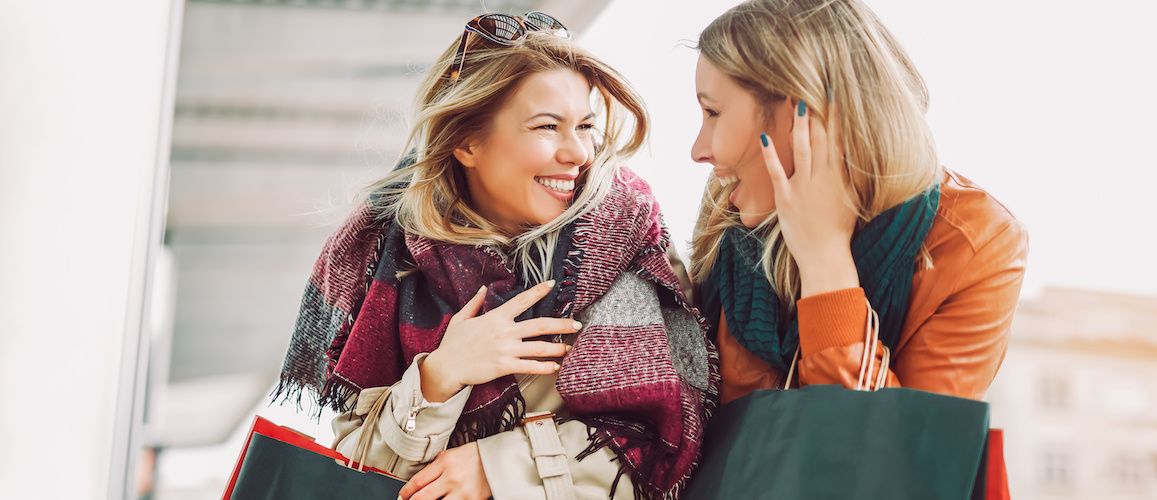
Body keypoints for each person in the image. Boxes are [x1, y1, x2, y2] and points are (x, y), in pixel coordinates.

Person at [275, 12, 716, 500]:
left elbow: (671, 443)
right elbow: (356, 470)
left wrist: (498, 469)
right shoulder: (387, 255)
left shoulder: (625, 238)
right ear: (467, 141)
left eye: (585, 125)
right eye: (548, 126)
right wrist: (441, 375)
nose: (578, 153)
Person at [687, 0, 1029, 405]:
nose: (698, 150)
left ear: (806, 113)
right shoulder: (732, 203)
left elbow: (902, 457)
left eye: (712, 112)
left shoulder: (977, 242)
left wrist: (824, 263)